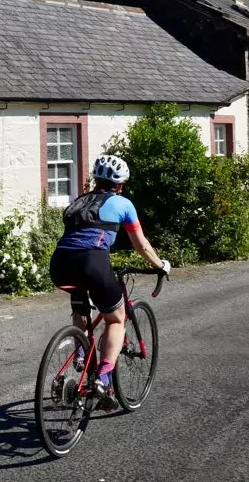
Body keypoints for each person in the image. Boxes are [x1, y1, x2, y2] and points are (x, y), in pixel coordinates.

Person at [49, 154, 170, 408]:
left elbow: (80, 236)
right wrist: (160, 265)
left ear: (95, 180)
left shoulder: (78, 201)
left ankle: (81, 354)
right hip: (92, 262)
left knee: (81, 306)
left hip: (60, 264)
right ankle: (103, 380)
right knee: (115, 319)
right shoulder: (123, 204)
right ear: (121, 185)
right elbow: (142, 246)